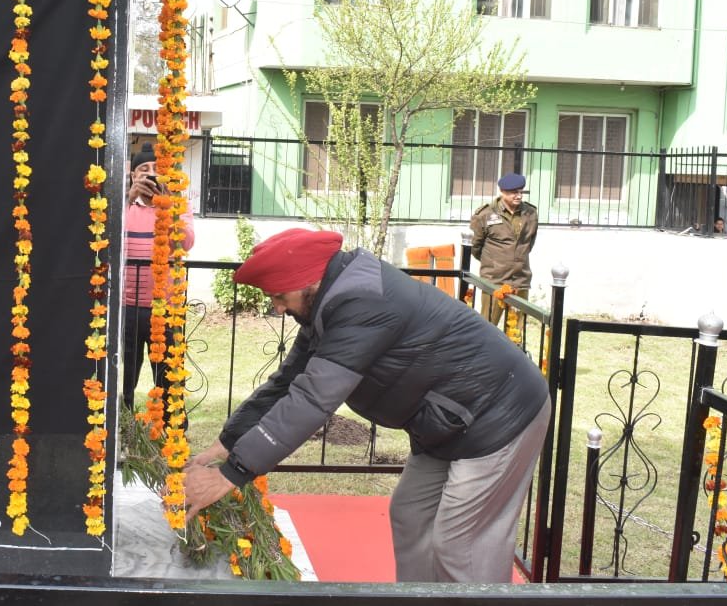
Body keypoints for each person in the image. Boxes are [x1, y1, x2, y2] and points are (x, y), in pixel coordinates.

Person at [183, 228, 551, 583]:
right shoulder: (329, 302)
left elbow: (313, 398)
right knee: (411, 516)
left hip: (499, 414)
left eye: (279, 296)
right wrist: (226, 442)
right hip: (450, 420)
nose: (277, 307)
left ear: (308, 281)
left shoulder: (363, 304)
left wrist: (231, 474)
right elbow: (287, 383)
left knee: (461, 543)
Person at [122, 142, 195, 409]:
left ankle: (170, 425)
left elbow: (186, 242)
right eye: (144, 169)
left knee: (167, 374)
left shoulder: (179, 206)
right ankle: (122, 420)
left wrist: (169, 206)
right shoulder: (122, 205)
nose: (151, 174)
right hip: (126, 306)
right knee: (124, 372)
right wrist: (128, 198)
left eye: (157, 169)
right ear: (133, 175)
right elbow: (106, 236)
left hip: (165, 307)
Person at [469, 172, 538, 326]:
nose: (519, 196)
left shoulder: (530, 213)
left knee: (516, 331)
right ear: (502, 192)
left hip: (520, 280)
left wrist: (516, 259)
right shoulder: (485, 214)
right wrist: (495, 263)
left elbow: (529, 243)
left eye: (521, 192)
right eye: (514, 192)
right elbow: (475, 247)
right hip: (495, 281)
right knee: (488, 327)